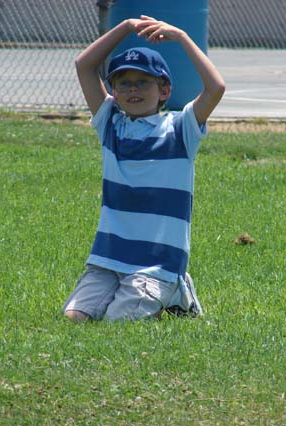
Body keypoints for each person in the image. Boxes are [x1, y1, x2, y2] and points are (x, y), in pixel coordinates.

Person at [63, 15, 225, 322]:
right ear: (114, 91)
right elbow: (84, 65)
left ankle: (176, 289)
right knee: (75, 317)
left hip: (157, 265)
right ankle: (169, 295)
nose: (132, 89)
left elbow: (216, 87)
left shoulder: (180, 129)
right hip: (109, 260)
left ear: (164, 91)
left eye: (143, 82)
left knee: (118, 322)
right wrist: (126, 27)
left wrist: (181, 36)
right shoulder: (110, 124)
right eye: (123, 83)